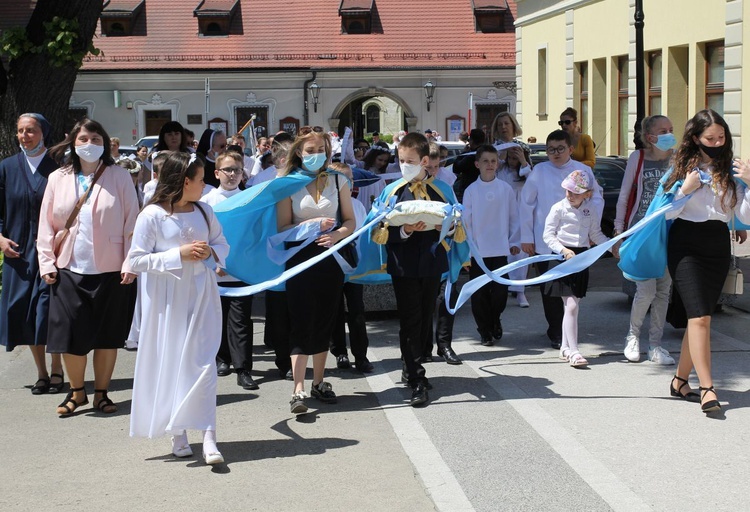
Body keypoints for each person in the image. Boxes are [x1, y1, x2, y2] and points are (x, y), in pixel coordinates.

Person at [129, 151, 230, 464]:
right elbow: (135, 260)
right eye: (201, 179)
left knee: (204, 364)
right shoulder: (152, 216)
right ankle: (178, 433)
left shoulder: (203, 211)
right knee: (173, 364)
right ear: (185, 181)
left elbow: (221, 243)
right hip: (168, 303)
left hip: (201, 298)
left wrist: (211, 253)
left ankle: (209, 436)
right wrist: (178, 255)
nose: (206, 184)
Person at [38, 118, 139, 416]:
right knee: (70, 335)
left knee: (108, 336)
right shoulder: (57, 177)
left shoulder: (119, 176)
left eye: (96, 139)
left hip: (110, 269)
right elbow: (45, 224)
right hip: (68, 267)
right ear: (73, 142)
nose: (90, 144)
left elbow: (132, 222)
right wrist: (47, 262)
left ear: (105, 143)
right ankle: (77, 392)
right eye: (83, 138)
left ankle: (103, 394)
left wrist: (130, 261)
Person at [663, 109, 750, 413]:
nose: (716, 142)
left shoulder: (730, 171)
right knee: (700, 318)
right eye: (710, 138)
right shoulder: (682, 167)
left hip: (716, 245)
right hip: (685, 245)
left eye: (721, 137)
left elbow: (744, 216)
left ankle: (679, 380)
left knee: (698, 318)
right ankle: (707, 388)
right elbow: (665, 213)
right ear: (696, 139)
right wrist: (684, 191)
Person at [276, 127, 356, 414]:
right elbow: (282, 228)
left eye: (320, 150)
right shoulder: (286, 182)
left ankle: (319, 381)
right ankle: (297, 387)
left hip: (329, 257)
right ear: (299, 152)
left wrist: (336, 235)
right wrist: (310, 227)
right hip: (299, 257)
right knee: (301, 319)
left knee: (325, 318)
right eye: (310, 151)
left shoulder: (338, 180)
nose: (316, 156)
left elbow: (349, 221)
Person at [380, 132, 452, 407]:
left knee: (424, 317)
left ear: (424, 161)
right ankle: (416, 378)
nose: (404, 165)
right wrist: (406, 229)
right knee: (410, 320)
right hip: (404, 264)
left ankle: (412, 364)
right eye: (400, 160)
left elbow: (456, 223)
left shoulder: (441, 189)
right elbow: (380, 230)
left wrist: (441, 227)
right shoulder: (393, 190)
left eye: (409, 161)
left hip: (432, 262)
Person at [520, 130, 603, 349]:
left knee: (572, 291)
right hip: (545, 240)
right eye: (550, 149)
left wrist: (590, 230)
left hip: (575, 242)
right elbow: (526, 204)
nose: (555, 153)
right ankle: (556, 331)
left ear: (571, 149)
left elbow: (596, 199)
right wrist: (526, 237)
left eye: (560, 148)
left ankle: (568, 331)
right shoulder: (539, 171)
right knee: (549, 290)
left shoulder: (583, 170)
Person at [0, 113, 63, 395]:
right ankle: (41, 373)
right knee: (23, 313)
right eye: (21, 131)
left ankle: (58, 368)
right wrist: (0, 239)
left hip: (52, 252)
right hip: (18, 254)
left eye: (31, 131)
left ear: (43, 133)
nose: (25, 136)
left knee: (48, 311)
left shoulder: (58, 168)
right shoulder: (7, 167)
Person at [613, 115, 677, 365]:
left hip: (670, 231)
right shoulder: (637, 158)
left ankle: (656, 345)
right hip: (641, 230)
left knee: (663, 291)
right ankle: (633, 336)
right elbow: (624, 195)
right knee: (646, 289)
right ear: (650, 137)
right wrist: (619, 233)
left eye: (671, 129)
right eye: (664, 130)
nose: (670, 134)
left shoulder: (678, 160)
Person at [543, 170, 613, 367]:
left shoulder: (590, 210)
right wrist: (563, 250)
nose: (570, 195)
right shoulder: (558, 209)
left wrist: (611, 245)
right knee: (571, 305)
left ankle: (565, 346)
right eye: (568, 191)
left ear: (587, 194)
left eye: (575, 192)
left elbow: (595, 234)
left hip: (581, 258)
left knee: (572, 306)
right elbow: (548, 235)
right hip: (562, 259)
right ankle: (574, 351)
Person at [201, 151, 257, 390]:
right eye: (227, 170)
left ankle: (243, 368)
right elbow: (203, 237)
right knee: (217, 318)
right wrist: (215, 263)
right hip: (214, 272)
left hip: (241, 271)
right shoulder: (207, 203)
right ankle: (222, 359)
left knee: (241, 320)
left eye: (237, 170)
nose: (232, 175)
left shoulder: (249, 199)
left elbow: (253, 236)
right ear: (217, 173)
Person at [463, 145, 520, 346]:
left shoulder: (505, 189)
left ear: (498, 164)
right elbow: (466, 222)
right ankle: (484, 330)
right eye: (485, 161)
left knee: (500, 293)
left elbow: (514, 217)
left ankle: (495, 318)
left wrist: (513, 241)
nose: (490, 165)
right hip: (478, 252)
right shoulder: (471, 191)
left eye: (493, 161)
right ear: (477, 164)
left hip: (500, 249)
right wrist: (468, 252)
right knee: (479, 295)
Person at [327, 162, 374, 373]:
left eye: (351, 180)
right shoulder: (326, 205)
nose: (349, 183)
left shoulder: (357, 205)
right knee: (334, 310)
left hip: (354, 266)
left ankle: (361, 355)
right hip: (333, 264)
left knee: (357, 310)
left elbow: (363, 234)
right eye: (343, 179)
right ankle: (339, 352)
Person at [424, 142, 460, 364]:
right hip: (421, 252)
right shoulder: (408, 188)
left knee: (446, 299)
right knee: (425, 302)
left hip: (444, 251)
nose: (433, 172)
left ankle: (445, 345)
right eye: (429, 168)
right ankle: (424, 346)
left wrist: (450, 227)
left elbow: (458, 218)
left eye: (437, 167)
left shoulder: (444, 188)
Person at [497, 145, 532, 307]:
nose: (512, 161)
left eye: (515, 158)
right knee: (503, 251)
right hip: (502, 214)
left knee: (520, 254)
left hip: (520, 215)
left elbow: (532, 182)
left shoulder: (526, 171)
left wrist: (524, 161)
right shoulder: (500, 170)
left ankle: (520, 291)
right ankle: (504, 286)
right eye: (509, 157)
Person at [452, 128, 486, 202]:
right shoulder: (486, 153)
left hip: (468, 188)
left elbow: (456, 168)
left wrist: (463, 153)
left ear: (472, 141)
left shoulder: (471, 156)